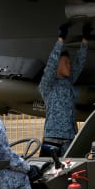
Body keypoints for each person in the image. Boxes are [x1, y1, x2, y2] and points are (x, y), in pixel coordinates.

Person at [39, 21, 90, 156]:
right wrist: (60, 40)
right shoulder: (48, 85)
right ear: (58, 66)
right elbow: (51, 63)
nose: (70, 65)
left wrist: (85, 41)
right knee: (48, 173)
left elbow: (80, 62)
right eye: (66, 63)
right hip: (52, 139)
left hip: (70, 138)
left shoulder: (68, 82)